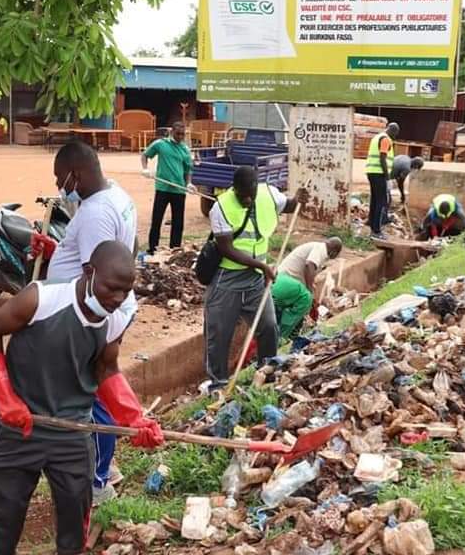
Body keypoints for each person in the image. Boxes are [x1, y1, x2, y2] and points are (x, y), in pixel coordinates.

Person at [0, 241, 163, 555]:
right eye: (112, 287)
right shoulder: (40, 299)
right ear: (88, 271)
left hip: (72, 427)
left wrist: (135, 418)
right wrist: (6, 399)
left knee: (76, 504)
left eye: (125, 291)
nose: (117, 298)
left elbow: (106, 368)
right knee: (5, 506)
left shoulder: (114, 318)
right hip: (19, 424)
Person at [30, 142, 139, 505]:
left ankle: (97, 482)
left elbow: (99, 279)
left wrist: (86, 329)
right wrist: (55, 252)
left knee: (88, 396)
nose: (61, 186)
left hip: (93, 317)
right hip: (111, 313)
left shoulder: (94, 214)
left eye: (62, 178)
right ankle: (106, 466)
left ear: (77, 174)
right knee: (96, 390)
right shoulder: (117, 196)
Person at [201, 167, 308, 389]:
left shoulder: (268, 194)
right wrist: (261, 264)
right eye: (242, 196)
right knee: (219, 335)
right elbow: (226, 248)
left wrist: (298, 199)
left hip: (256, 280)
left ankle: (266, 372)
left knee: (269, 327)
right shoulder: (220, 207)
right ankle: (218, 385)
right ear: (234, 189)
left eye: (251, 194)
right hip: (227, 279)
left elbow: (288, 205)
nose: (247, 199)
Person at [272, 238, 342, 340]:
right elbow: (309, 264)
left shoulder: (316, 247)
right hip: (286, 280)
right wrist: (309, 291)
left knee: (283, 309)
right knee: (306, 300)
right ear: (334, 251)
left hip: (280, 281)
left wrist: (311, 285)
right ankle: (282, 337)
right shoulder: (321, 248)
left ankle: (280, 334)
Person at [141, 121, 195, 253]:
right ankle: (152, 248)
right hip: (163, 188)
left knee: (178, 222)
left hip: (179, 190)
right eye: (178, 134)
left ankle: (174, 249)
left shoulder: (185, 150)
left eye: (183, 134)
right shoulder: (161, 144)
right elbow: (145, 155)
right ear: (172, 132)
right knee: (157, 219)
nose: (180, 136)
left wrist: (188, 183)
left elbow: (188, 170)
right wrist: (145, 169)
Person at [366, 122, 399, 238]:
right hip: (379, 173)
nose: (395, 136)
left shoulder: (376, 137)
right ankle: (376, 231)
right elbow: (382, 158)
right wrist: (387, 177)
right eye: (395, 134)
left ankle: (371, 222)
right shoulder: (385, 139)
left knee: (375, 199)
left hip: (371, 172)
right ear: (392, 131)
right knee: (382, 201)